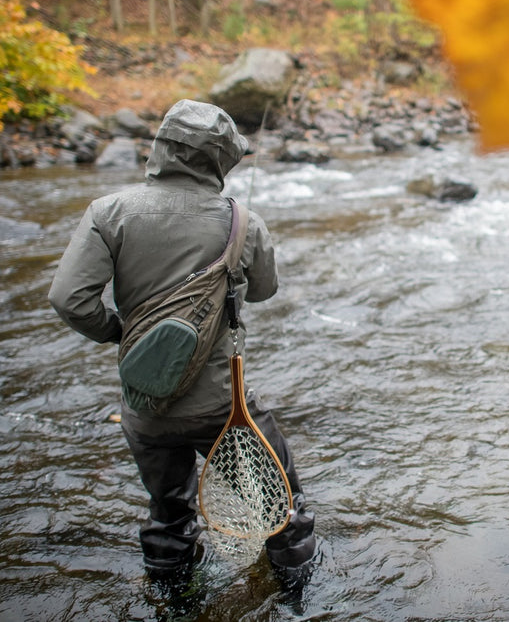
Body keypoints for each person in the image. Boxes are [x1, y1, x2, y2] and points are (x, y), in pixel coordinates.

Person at [48, 99, 316, 587]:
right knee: (283, 505)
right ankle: (299, 600)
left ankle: (172, 601)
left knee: (168, 515)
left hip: (144, 407)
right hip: (223, 408)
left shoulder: (108, 212)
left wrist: (121, 333)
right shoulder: (241, 221)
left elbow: (69, 299)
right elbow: (264, 289)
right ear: (220, 160)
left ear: (162, 148)